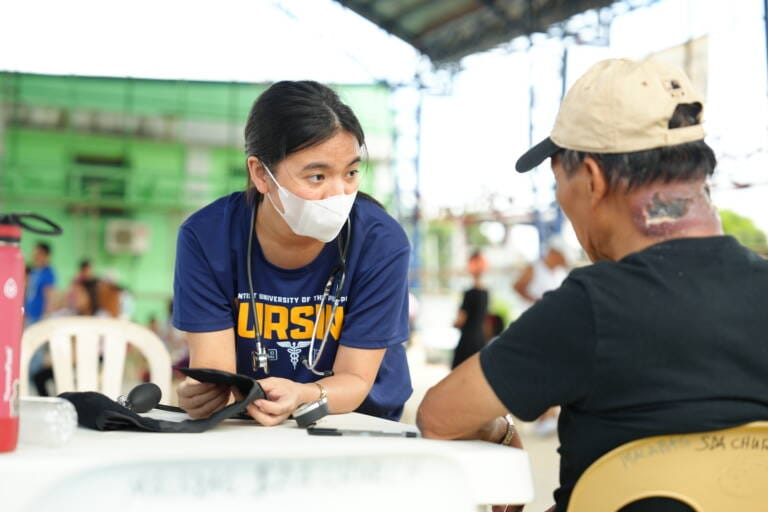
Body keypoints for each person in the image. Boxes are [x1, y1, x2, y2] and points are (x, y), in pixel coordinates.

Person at [417, 58, 768, 512]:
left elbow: (439, 418)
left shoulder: (592, 305)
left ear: (592, 179)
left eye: (558, 181)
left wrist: (500, 431)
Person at [173, 80, 412, 425]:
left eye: (351, 172)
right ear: (261, 174)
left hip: (356, 422)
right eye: (317, 177)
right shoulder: (206, 238)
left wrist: (302, 394)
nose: (338, 193)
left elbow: (356, 380)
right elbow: (217, 372)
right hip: (254, 424)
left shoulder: (381, 243)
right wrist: (206, 394)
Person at [512, 235, 569, 436]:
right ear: (553, 253)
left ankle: (549, 416)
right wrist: (537, 301)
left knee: (552, 372)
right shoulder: (534, 268)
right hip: (533, 326)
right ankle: (543, 416)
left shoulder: (559, 273)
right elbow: (517, 286)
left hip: (553, 328)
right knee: (541, 372)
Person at [451, 250, 489, 368]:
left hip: (467, 341)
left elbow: (460, 321)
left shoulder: (469, 294)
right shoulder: (486, 293)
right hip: (480, 340)